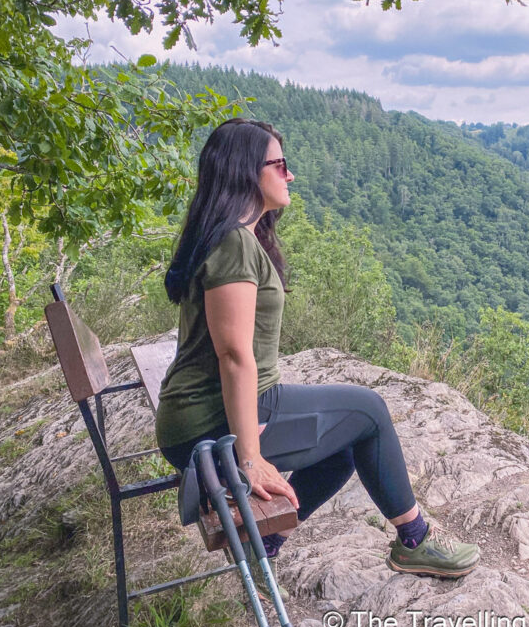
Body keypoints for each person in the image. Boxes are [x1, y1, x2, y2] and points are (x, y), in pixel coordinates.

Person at [156, 118, 479, 580]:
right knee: (369, 411)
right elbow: (234, 356)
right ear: (247, 171)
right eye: (280, 165)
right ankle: (414, 540)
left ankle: (265, 543)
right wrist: (250, 459)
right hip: (208, 426)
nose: (289, 175)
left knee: (344, 442)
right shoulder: (233, 243)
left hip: (206, 415)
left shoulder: (233, 237)